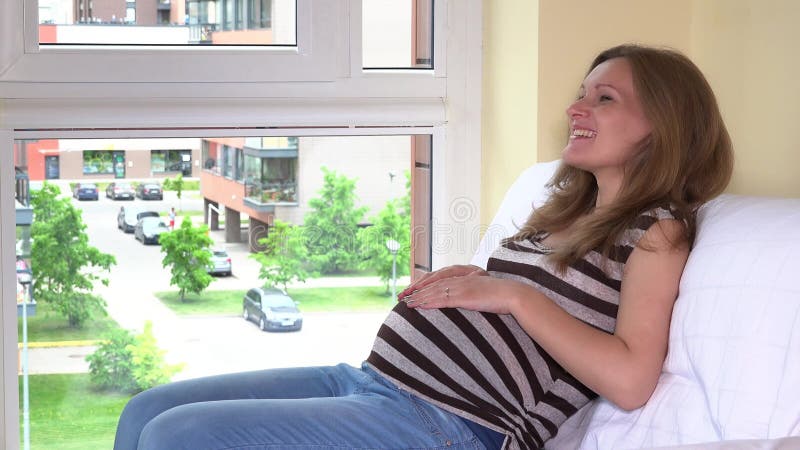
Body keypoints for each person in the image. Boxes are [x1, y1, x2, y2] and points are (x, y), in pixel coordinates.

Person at [113, 44, 733, 450]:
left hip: (449, 425)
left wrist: (512, 295)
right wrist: (479, 285)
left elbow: (630, 380)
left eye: (605, 98)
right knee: (146, 412)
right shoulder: (561, 208)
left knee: (178, 436)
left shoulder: (657, 231)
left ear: (665, 126)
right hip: (368, 383)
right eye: (582, 91)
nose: (576, 107)